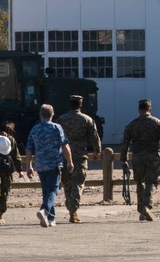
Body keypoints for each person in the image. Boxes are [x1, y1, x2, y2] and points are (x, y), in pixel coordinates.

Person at [119, 99, 160, 222]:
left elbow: (125, 144)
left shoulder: (132, 125)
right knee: (151, 182)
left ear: (139, 110)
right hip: (152, 157)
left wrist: (123, 159)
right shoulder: (157, 123)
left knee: (139, 183)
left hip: (137, 158)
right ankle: (146, 206)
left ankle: (141, 210)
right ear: (150, 110)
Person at [25, 103, 74, 228]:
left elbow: (29, 149)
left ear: (40, 115)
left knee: (46, 191)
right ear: (52, 115)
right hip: (54, 164)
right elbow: (65, 145)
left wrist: (29, 166)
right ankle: (44, 210)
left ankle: (50, 219)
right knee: (53, 190)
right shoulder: (56, 128)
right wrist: (70, 161)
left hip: (40, 165)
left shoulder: (34, 129)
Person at [56, 94, 102, 223]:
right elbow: (94, 136)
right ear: (81, 105)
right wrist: (97, 150)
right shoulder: (86, 119)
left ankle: (70, 207)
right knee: (78, 183)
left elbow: (56, 137)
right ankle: (73, 210)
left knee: (67, 183)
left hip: (65, 155)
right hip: (80, 155)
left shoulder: (61, 120)